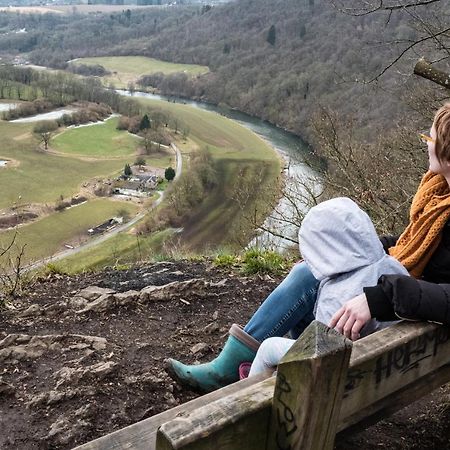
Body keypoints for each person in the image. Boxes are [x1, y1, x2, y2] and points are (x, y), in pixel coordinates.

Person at [166, 103, 450, 392]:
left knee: (311, 282)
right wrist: (336, 254)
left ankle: (255, 379)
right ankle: (235, 367)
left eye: (430, 140)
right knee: (309, 273)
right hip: (399, 303)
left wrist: (381, 298)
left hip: (403, 321)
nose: (425, 146)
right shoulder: (438, 194)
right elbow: (407, 243)